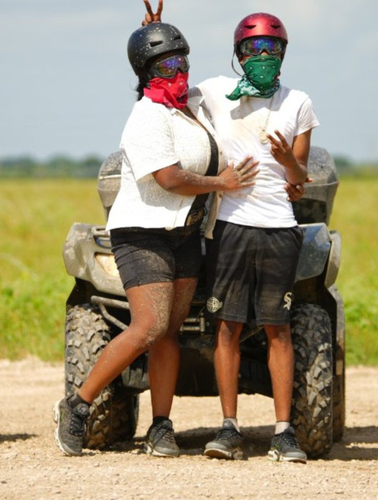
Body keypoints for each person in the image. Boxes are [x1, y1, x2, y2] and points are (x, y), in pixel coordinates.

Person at [53, 21, 259, 458]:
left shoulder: (193, 105)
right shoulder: (146, 114)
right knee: (148, 326)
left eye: (180, 60)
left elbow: (226, 93)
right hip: (142, 233)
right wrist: (221, 184)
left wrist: (155, 33)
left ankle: (160, 426)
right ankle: (76, 405)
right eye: (165, 63)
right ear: (145, 72)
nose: (176, 69)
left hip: (184, 234)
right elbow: (169, 179)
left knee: (169, 331)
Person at [143, 2, 318, 463]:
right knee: (228, 328)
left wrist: (288, 163)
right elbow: (165, 90)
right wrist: (152, 45)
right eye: (254, 47)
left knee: (278, 329)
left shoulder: (298, 102)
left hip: (279, 227)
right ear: (239, 53)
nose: (263, 54)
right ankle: (229, 428)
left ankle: (284, 432)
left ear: (283, 52)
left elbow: (300, 178)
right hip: (229, 226)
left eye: (271, 47)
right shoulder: (217, 92)